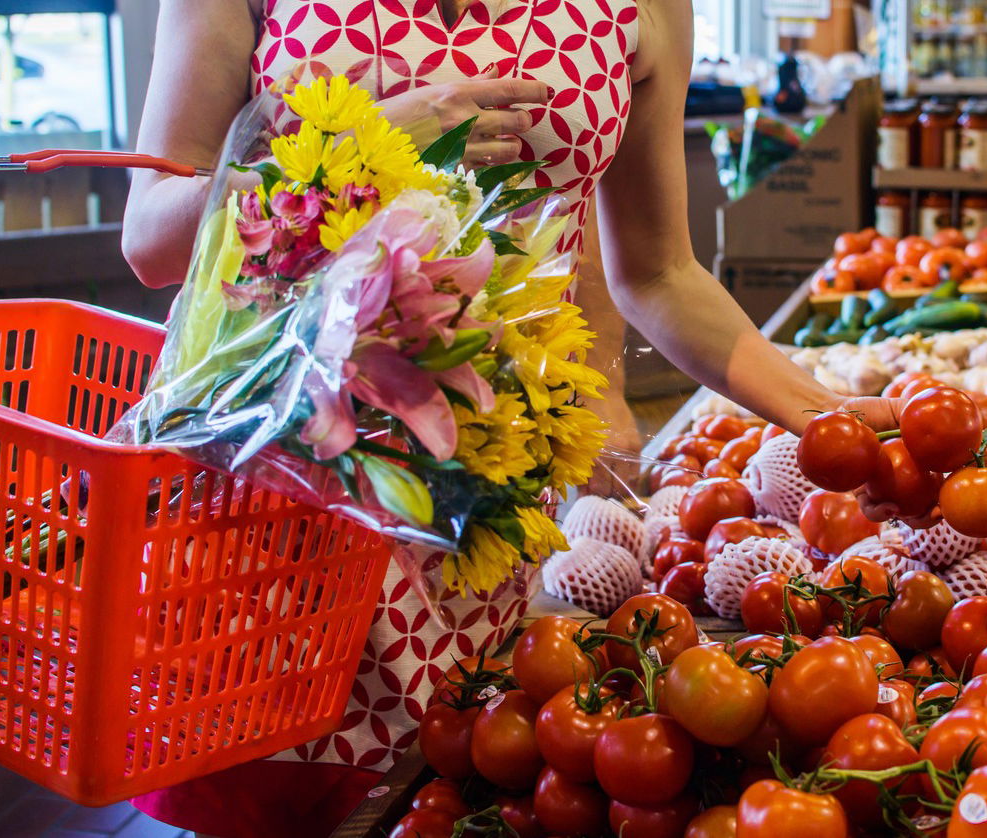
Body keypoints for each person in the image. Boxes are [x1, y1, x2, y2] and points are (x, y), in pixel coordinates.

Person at [121, 1, 895, 834]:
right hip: (267, 481)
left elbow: (662, 271)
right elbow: (152, 236)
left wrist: (829, 415)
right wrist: (358, 154)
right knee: (267, 798)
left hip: (481, 496)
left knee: (447, 791)